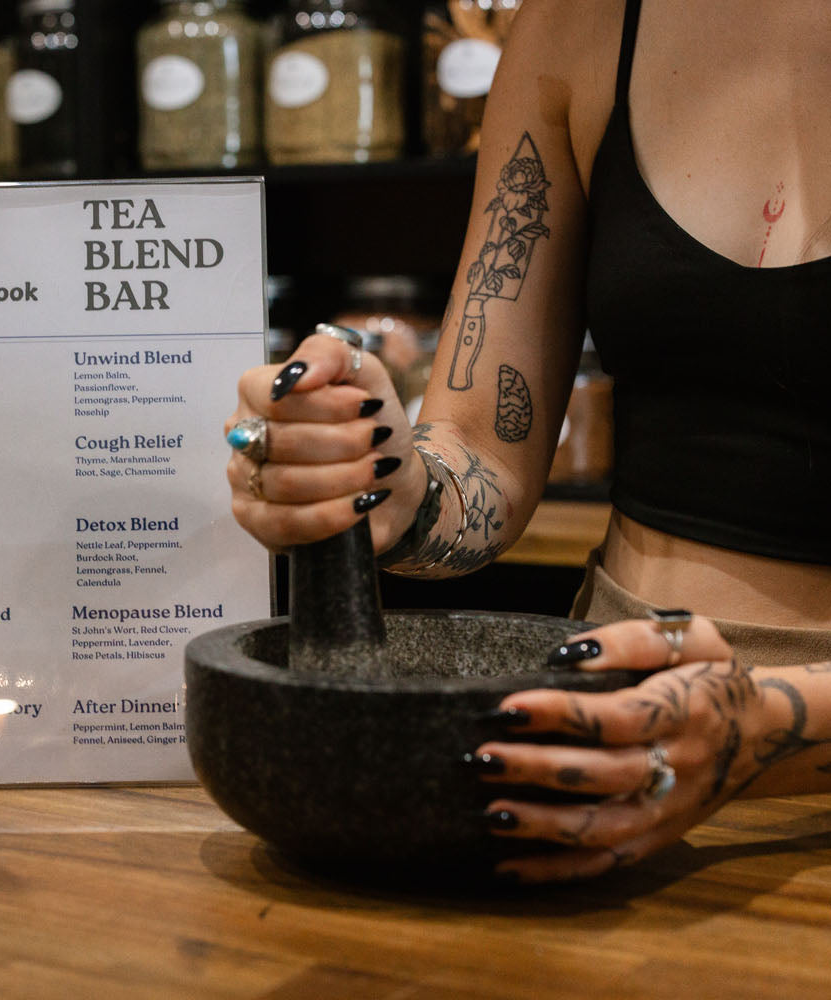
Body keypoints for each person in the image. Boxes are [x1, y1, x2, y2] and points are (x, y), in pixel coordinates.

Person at [225, 0, 831, 883]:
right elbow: (483, 451)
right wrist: (385, 479)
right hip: (606, 764)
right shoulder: (580, 24)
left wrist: (767, 722)